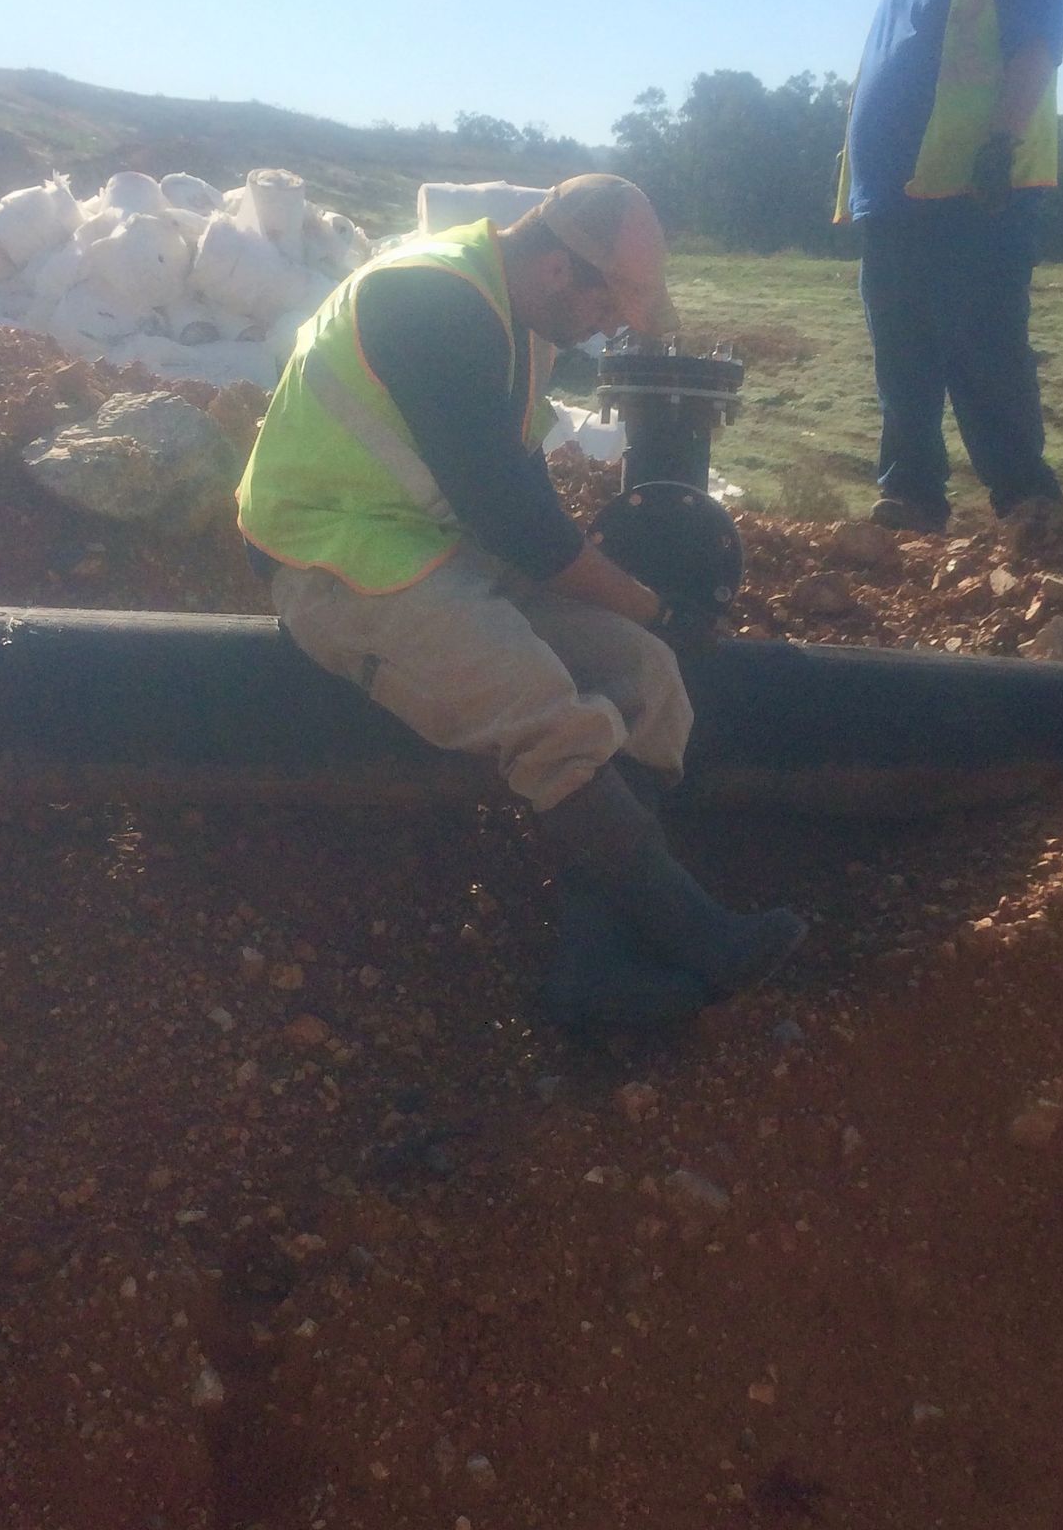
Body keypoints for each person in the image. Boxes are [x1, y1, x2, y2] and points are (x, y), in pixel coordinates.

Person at [236, 173, 805, 1027]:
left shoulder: (519, 319)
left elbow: (522, 498)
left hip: (432, 546)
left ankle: (598, 965)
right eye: (609, 302)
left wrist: (641, 626)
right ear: (555, 272)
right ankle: (694, 932)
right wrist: (651, 604)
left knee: (646, 679)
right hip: (336, 558)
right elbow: (517, 521)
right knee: (545, 709)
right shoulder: (429, 299)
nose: (613, 326)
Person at [835, 0, 1063, 532]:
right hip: (896, 196)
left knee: (983, 344)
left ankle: (1025, 499)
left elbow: (1035, 45)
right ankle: (910, 497)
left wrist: (998, 146)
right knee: (902, 354)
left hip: (974, 187)